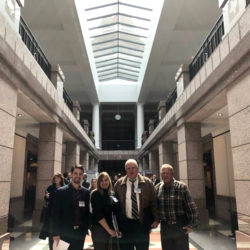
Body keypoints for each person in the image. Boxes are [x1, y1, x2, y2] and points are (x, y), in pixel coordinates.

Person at [114, 159, 159, 250]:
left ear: (137, 169)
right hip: (126, 226)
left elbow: (154, 202)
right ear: (125, 170)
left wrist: (156, 219)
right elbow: (115, 205)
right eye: (128, 168)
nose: (131, 170)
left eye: (133, 168)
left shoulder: (148, 183)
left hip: (142, 224)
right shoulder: (118, 184)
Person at [156, 164, 199, 250]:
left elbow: (192, 207)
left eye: (167, 173)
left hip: (180, 225)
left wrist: (191, 225)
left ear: (172, 174)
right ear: (160, 175)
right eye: (163, 173)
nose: (165, 175)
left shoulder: (181, 187)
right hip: (165, 227)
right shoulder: (157, 188)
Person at [52, 165, 90, 250]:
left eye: (80, 174)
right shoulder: (60, 192)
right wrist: (55, 233)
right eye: (75, 173)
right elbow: (55, 214)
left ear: (83, 176)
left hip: (80, 233)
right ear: (71, 174)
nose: (78, 176)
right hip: (64, 233)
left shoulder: (86, 192)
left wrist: (85, 229)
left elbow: (86, 212)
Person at [91, 172, 120, 250]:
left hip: (110, 227)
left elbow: (116, 212)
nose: (104, 182)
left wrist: (117, 230)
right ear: (98, 182)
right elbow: (98, 215)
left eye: (106, 180)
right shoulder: (95, 194)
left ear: (109, 181)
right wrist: (109, 230)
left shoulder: (112, 194)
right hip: (99, 229)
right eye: (101, 180)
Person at [39, 173, 65, 249]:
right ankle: (51, 247)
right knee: (51, 233)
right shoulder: (50, 187)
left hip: (62, 214)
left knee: (62, 234)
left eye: (57, 178)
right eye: (54, 178)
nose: (56, 180)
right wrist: (46, 197)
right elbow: (46, 198)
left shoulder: (65, 187)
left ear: (61, 179)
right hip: (51, 214)